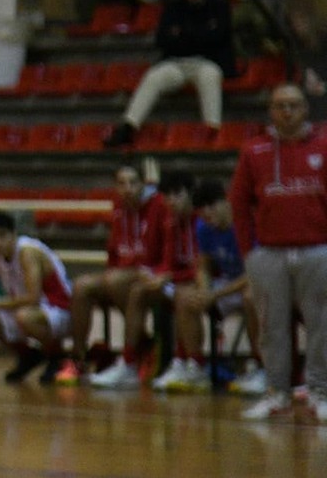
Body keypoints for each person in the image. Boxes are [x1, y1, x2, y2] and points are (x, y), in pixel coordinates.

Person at [228, 82, 327, 423]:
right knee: (271, 327)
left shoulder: (325, 143)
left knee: (321, 324)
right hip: (268, 254)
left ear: (306, 109)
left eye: (294, 105)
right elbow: (239, 204)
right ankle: (276, 393)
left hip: (318, 250)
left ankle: (319, 391)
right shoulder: (254, 150)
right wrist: (248, 253)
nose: (287, 112)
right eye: (280, 105)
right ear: (271, 111)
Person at [103, 0, 235, 147]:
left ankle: (212, 130)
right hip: (175, 62)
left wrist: (183, 35)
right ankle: (129, 126)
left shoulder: (219, 7)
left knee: (210, 77)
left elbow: (219, 37)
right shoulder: (173, 7)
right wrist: (200, 34)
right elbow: (163, 39)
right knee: (154, 76)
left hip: (207, 62)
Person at [66, 164, 170, 386]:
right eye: (122, 184)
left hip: (150, 271)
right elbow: (114, 250)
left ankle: (137, 349)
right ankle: (78, 358)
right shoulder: (118, 208)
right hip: (122, 273)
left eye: (133, 182)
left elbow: (166, 250)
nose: (128, 188)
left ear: (143, 183)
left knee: (115, 280)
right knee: (81, 286)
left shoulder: (160, 205)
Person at [155, 180, 263, 394]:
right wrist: (205, 290)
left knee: (252, 298)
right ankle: (196, 366)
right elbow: (203, 265)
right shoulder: (203, 227)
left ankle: (259, 366)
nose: (207, 215)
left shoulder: (247, 224)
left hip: (253, 283)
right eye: (202, 211)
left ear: (226, 202)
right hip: (226, 284)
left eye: (212, 208)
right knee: (185, 297)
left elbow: (255, 274)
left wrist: (215, 294)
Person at [0, 212, 74, 383]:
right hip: (29, 310)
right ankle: (28, 355)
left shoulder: (27, 253)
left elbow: (33, 298)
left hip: (60, 309)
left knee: (24, 317)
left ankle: (57, 357)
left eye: (2, 236)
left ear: (13, 234)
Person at [116, 170, 200, 388]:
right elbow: (169, 262)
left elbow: (205, 268)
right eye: (167, 196)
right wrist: (157, 275)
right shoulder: (171, 222)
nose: (171, 201)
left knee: (183, 295)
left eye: (177, 195)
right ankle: (128, 364)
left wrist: (170, 276)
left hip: (204, 283)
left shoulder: (202, 220)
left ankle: (191, 363)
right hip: (181, 281)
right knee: (139, 290)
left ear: (190, 194)